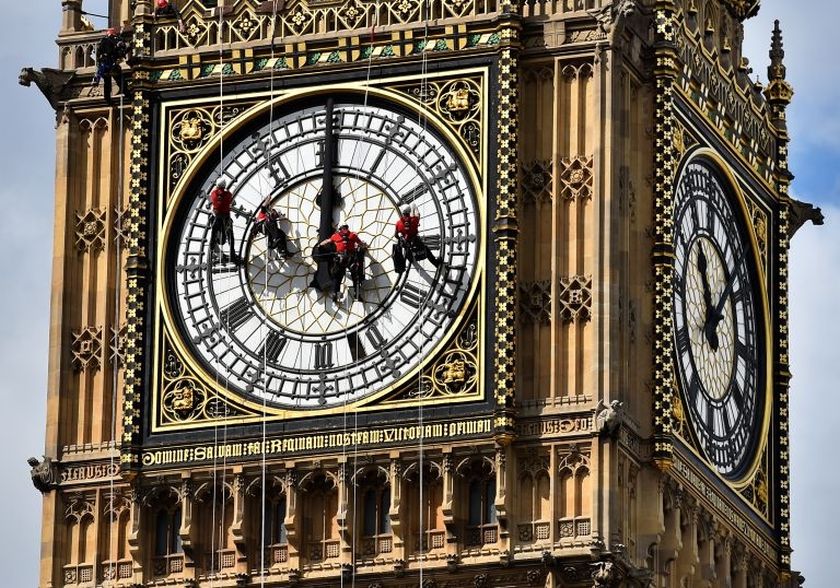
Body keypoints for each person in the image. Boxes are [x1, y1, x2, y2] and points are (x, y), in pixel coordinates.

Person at [317, 224, 367, 299]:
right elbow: (329, 241)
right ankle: (336, 293)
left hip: (349, 258)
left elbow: (360, 243)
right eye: (343, 228)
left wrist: (364, 246)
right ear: (340, 229)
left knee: (355, 276)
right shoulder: (337, 236)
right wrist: (320, 245)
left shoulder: (352, 235)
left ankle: (356, 294)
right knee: (338, 276)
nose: (344, 230)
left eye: (345, 228)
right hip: (342, 258)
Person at [393, 204, 440, 274]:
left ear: (402, 212)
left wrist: (402, 238)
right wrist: (414, 206)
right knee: (426, 250)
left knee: (407, 252)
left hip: (406, 243)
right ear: (409, 212)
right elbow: (418, 215)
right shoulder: (414, 220)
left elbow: (396, 235)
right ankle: (436, 263)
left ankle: (410, 259)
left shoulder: (398, 223)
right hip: (415, 240)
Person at [93, 28, 129, 105]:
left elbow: (98, 54)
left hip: (103, 65)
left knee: (107, 83)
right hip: (110, 64)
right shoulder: (114, 40)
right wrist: (127, 49)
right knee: (120, 79)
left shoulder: (103, 41)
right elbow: (119, 52)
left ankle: (107, 99)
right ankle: (127, 93)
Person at [209, 178, 240, 264]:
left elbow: (214, 193)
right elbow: (230, 199)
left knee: (213, 236)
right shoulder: (228, 194)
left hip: (217, 217)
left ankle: (212, 254)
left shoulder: (213, 194)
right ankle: (233, 255)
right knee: (230, 237)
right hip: (226, 217)